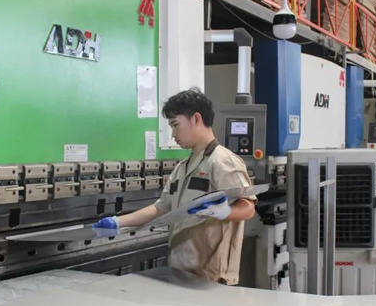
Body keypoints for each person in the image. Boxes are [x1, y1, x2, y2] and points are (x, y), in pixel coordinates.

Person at [94, 88, 256, 285]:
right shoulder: (182, 167)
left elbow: (248, 207)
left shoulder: (223, 162)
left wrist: (226, 212)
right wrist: (118, 222)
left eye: (175, 125)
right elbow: (161, 207)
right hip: (180, 270)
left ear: (196, 119)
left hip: (211, 276)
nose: (173, 134)